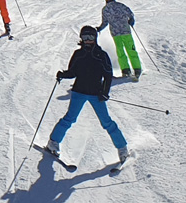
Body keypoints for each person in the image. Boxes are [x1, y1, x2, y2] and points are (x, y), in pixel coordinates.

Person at [44, 26, 129, 164]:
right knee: (69, 118)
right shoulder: (78, 54)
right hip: (79, 92)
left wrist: (105, 92)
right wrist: (63, 74)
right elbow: (73, 72)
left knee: (106, 122)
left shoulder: (101, 55)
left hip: (96, 94)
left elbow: (108, 76)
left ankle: (122, 149)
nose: (88, 40)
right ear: (81, 39)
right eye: (85, 38)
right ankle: (53, 143)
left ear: (95, 38)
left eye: (90, 37)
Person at [97, 0, 141, 80]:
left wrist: (131, 19)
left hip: (125, 32)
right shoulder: (105, 10)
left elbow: (130, 13)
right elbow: (105, 22)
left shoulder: (120, 6)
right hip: (116, 34)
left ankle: (137, 68)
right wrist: (99, 28)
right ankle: (125, 70)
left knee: (131, 49)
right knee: (120, 52)